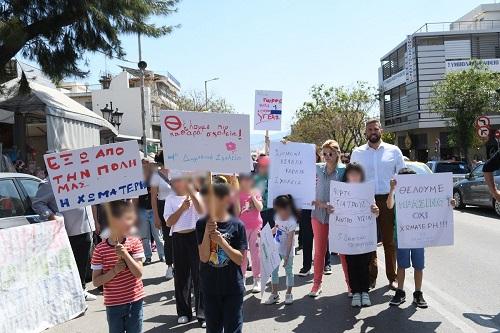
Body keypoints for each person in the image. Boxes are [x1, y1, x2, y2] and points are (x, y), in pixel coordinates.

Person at [386, 168, 456, 308]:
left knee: (419, 266)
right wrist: (392, 190)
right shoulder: (398, 194)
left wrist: (450, 203)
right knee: (401, 265)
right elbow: (389, 205)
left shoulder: (422, 195)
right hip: (403, 235)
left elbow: (437, 204)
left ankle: (418, 293)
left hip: (419, 236)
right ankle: (400, 291)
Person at [350, 118, 406, 290]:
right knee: (369, 241)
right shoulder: (357, 152)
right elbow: (351, 177)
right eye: (369, 129)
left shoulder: (394, 151)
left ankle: (392, 277)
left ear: (381, 130)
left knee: (389, 241)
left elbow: (404, 175)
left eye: (375, 128)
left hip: (388, 200)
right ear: (365, 132)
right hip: (365, 201)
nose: (373, 132)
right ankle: (371, 278)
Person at [32, 179, 97, 301]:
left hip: (86, 227)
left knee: (82, 262)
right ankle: (71, 295)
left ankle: (81, 289)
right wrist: (51, 216)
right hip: (68, 231)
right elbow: (38, 203)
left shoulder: (82, 176)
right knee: (70, 265)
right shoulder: (50, 182)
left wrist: (94, 223)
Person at [197, 182, 248, 333]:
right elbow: (204, 257)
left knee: (233, 329)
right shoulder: (201, 224)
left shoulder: (238, 225)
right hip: (210, 288)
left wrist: (221, 242)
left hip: (232, 288)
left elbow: (240, 259)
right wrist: (207, 232)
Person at [91, 200, 145, 333]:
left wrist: (126, 255)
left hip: (135, 301)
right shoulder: (100, 250)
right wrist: (114, 271)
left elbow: (138, 273)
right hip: (113, 305)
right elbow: (96, 281)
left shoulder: (135, 242)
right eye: (127, 218)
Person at [164, 172, 205, 326]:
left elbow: (202, 212)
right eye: (173, 181)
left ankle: (202, 313)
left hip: (195, 237)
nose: (175, 183)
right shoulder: (170, 199)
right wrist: (181, 208)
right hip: (178, 238)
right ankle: (183, 312)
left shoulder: (196, 195)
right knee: (181, 276)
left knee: (199, 275)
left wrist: (192, 194)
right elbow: (168, 222)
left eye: (178, 180)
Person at [309, 139, 348, 297]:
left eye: (330, 153)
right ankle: (316, 284)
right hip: (318, 215)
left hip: (339, 217)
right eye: (324, 153)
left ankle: (350, 284)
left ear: (338, 153)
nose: (327, 156)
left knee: (344, 252)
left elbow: (352, 192)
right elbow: (297, 168)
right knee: (319, 251)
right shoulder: (317, 169)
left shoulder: (345, 171)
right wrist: (287, 146)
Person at [338, 163, 379, 307]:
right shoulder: (339, 191)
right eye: (351, 174)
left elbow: (375, 210)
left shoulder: (367, 191)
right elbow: (336, 210)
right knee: (351, 263)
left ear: (361, 175)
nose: (354, 176)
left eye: (357, 174)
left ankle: (364, 291)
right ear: (346, 175)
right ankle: (355, 292)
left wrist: (375, 210)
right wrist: (332, 209)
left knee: (364, 263)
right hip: (348, 235)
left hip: (364, 235)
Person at [298, 149, 331, 277]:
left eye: (314, 155)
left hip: (321, 206)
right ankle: (306, 266)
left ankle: (326, 263)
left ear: (318, 156)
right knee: (307, 237)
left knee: (323, 236)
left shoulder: (324, 170)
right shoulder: (300, 171)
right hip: (306, 207)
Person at [265, 195, 299, 305]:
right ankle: (274, 294)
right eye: (277, 211)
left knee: (289, 271)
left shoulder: (292, 222)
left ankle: (289, 294)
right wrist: (264, 234)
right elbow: (276, 228)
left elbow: (290, 240)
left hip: (287, 251)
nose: (278, 213)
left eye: (280, 211)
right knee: (273, 271)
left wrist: (287, 255)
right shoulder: (278, 217)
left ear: (287, 209)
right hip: (277, 248)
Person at [237, 173, 263, 293]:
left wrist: (252, 197)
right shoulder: (237, 194)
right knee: (242, 254)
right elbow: (235, 213)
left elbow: (260, 208)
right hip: (242, 228)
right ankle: (242, 279)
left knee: (255, 253)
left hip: (256, 226)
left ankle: (257, 279)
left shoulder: (256, 192)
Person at [150, 151, 174, 279]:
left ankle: (181, 264)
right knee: (168, 238)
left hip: (179, 206)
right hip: (163, 207)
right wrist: (156, 216)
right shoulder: (156, 175)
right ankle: (170, 266)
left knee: (181, 236)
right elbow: (153, 197)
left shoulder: (178, 172)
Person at [138, 158, 165, 265]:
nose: (145, 166)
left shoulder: (156, 176)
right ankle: (148, 257)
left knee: (158, 236)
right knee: (145, 237)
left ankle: (162, 255)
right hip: (142, 210)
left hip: (154, 210)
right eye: (143, 165)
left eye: (147, 164)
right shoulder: (138, 178)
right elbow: (135, 197)